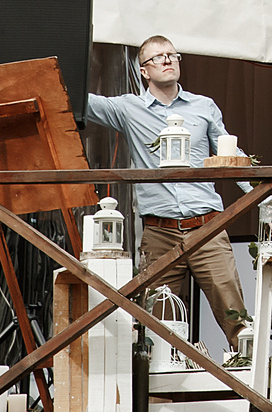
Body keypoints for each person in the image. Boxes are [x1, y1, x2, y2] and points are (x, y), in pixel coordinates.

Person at [87, 35, 257, 367]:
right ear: (144, 71)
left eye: (172, 55)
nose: (168, 60)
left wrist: (258, 188)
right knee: (157, 320)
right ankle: (161, 391)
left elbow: (227, 153)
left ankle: (253, 386)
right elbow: (80, 101)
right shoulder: (128, 108)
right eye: (158, 57)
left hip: (206, 226)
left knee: (233, 310)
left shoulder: (203, 106)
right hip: (159, 232)